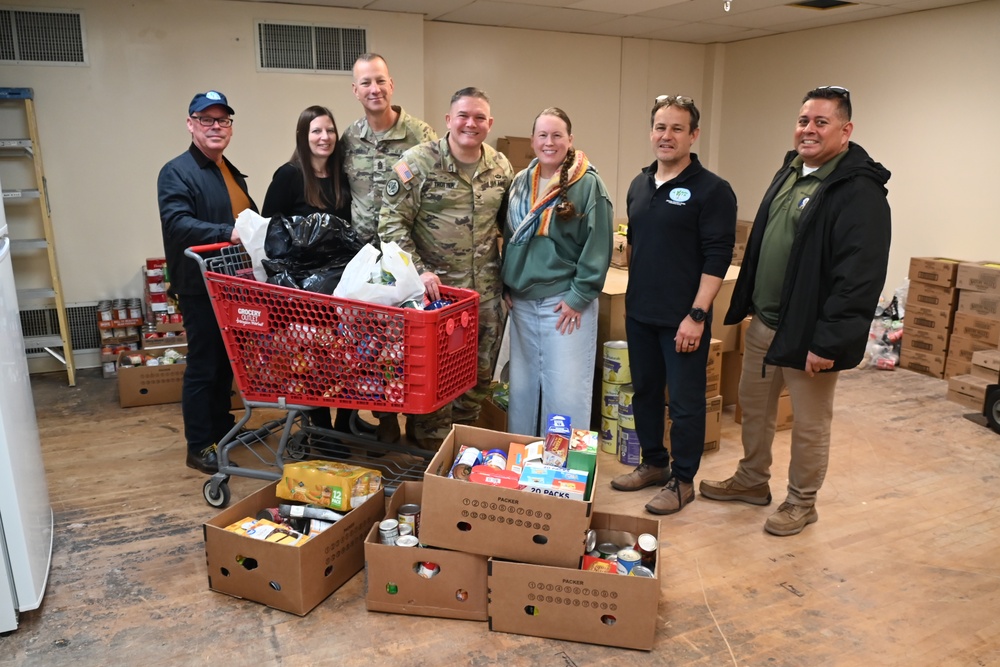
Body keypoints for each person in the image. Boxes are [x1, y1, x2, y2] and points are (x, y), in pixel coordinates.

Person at [700, 86, 891, 536]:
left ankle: (802, 503)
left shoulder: (858, 191)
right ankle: (751, 480)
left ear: (846, 131)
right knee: (754, 408)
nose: (808, 129)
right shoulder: (789, 170)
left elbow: (859, 278)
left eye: (821, 122)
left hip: (809, 333)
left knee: (808, 424)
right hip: (765, 323)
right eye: (804, 120)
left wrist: (829, 342)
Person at [609, 95, 737, 516]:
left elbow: (718, 257)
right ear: (651, 133)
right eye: (660, 127)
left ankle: (683, 481)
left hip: (684, 320)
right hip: (641, 313)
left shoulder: (713, 190)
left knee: (684, 401)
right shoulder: (640, 184)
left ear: (693, 135)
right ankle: (653, 463)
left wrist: (697, 316)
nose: (667, 136)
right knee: (645, 391)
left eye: (677, 128)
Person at [378, 87, 513, 450]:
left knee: (479, 374)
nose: (471, 124)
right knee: (435, 374)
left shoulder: (500, 166)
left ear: (490, 123)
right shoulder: (416, 163)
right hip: (435, 297)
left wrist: (512, 282)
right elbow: (390, 226)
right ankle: (427, 447)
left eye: (480, 118)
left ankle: (461, 443)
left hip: (484, 293)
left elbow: (510, 228)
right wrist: (418, 271)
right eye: (464, 116)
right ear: (449, 120)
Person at [157, 90, 256, 474]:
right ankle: (199, 445)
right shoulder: (177, 171)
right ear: (190, 124)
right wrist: (227, 231)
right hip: (200, 284)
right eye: (206, 120)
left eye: (223, 120)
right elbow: (177, 223)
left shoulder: (226, 169)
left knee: (224, 362)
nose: (216, 127)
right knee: (203, 365)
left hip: (231, 282)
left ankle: (221, 428)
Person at [342, 52, 437, 443]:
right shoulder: (348, 137)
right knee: (371, 347)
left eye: (379, 80)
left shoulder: (420, 135)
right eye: (365, 82)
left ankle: (418, 426)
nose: (374, 89)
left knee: (412, 346)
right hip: (364, 261)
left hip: (406, 256)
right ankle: (383, 421)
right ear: (355, 90)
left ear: (391, 85)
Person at [501, 107, 613, 437]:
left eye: (557, 135)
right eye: (542, 135)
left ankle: (563, 476)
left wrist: (579, 297)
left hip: (565, 304)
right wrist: (507, 285)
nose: (549, 142)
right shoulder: (521, 181)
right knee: (520, 393)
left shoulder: (588, 184)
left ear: (570, 140)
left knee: (565, 396)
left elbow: (599, 244)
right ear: (533, 140)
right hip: (521, 303)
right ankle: (521, 467)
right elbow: (509, 236)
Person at [261, 105, 353, 441]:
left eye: (329, 130)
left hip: (342, 285)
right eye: (316, 131)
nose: (324, 138)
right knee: (311, 359)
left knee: (346, 356)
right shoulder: (289, 175)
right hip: (304, 290)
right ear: (303, 136)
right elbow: (269, 228)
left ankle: (345, 425)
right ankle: (320, 429)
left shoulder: (343, 174)